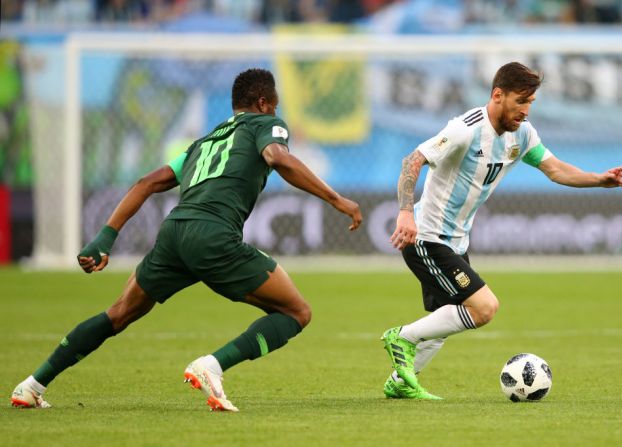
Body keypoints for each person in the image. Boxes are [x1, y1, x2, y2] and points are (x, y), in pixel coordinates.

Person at [11, 68, 362, 412]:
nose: (277, 112)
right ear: (263, 103)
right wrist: (336, 199)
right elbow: (276, 157)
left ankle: (32, 385)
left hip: (174, 233)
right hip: (213, 235)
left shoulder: (203, 143)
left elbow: (146, 182)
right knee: (296, 311)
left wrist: (105, 237)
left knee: (118, 314)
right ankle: (212, 365)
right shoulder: (265, 124)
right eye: (275, 105)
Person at [380, 61, 622, 400]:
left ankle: (399, 381)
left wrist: (599, 180)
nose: (526, 110)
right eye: (520, 101)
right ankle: (402, 337)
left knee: (445, 317)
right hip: (426, 236)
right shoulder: (465, 129)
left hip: (455, 242)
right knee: (483, 308)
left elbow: (555, 170)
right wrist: (406, 213)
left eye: (531, 103)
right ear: (498, 95)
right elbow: (413, 160)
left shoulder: (523, 134)